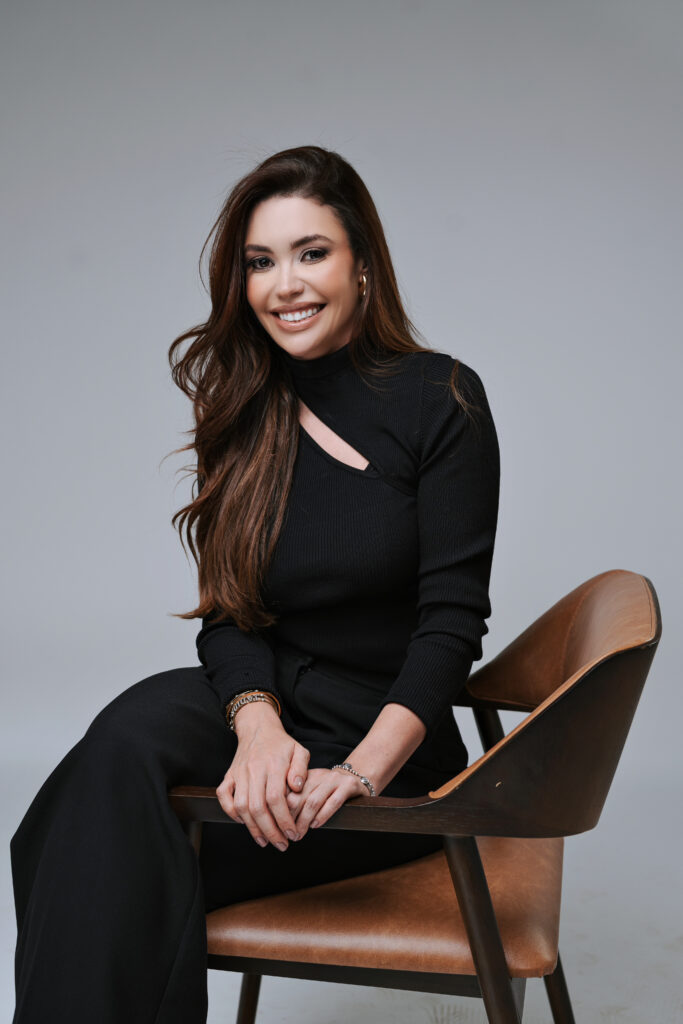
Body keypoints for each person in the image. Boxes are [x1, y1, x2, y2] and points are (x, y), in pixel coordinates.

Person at [9, 145, 500, 1023]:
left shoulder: (441, 398)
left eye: (311, 253)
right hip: (271, 700)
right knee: (110, 763)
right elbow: (230, 615)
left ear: (362, 264)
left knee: (94, 859)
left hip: (386, 738)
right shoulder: (244, 406)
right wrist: (258, 729)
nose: (285, 285)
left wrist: (359, 772)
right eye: (260, 262)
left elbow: (451, 624)